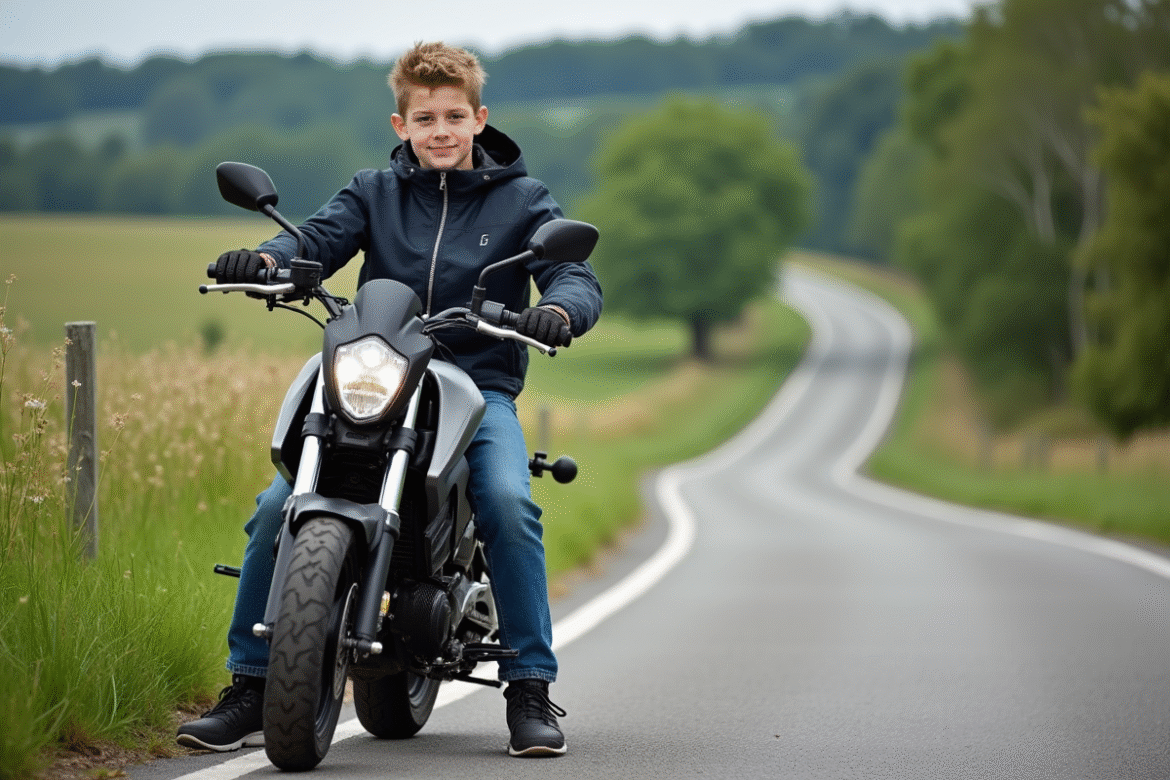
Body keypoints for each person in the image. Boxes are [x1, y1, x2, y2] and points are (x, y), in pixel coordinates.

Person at [176, 41, 602, 758]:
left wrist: (556, 311)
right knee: (277, 507)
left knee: (505, 498)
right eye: (426, 117)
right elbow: (315, 238)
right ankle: (252, 685)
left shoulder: (523, 201)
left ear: (479, 119)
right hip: (376, 369)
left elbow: (570, 274)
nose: (441, 129)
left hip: (474, 383)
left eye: (455, 116)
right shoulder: (373, 191)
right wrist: (268, 259)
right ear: (401, 124)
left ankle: (530, 686)